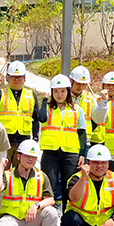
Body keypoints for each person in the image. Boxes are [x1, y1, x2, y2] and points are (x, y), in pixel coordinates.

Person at [0, 139, 56, 226]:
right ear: (18, 156)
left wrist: (36, 206)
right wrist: (1, 167)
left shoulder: (41, 176)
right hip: (11, 218)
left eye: (33, 157)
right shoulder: (8, 174)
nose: (30, 159)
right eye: (27, 156)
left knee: (51, 212)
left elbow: (50, 200)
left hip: (31, 219)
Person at [39, 74, 84, 211]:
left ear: (68, 91)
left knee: (69, 186)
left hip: (71, 153)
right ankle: (47, 217)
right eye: (56, 91)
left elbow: (82, 132)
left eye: (63, 91)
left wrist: (82, 154)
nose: (59, 94)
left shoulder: (77, 110)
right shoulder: (47, 108)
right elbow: (41, 118)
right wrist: (44, 99)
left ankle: (67, 216)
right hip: (50, 153)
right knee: (49, 186)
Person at [0, 61, 45, 160]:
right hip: (5, 140)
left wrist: (35, 137)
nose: (17, 80)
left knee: (20, 172)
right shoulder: (1, 93)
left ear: (24, 78)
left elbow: (35, 118)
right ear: (8, 77)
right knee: (4, 170)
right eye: (13, 77)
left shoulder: (31, 95)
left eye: (20, 77)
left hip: (23, 141)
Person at [69, 65, 98, 146]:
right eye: (78, 83)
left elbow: (96, 119)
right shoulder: (64, 96)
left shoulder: (90, 98)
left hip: (85, 141)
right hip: (68, 139)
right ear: (71, 81)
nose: (80, 87)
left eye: (83, 84)